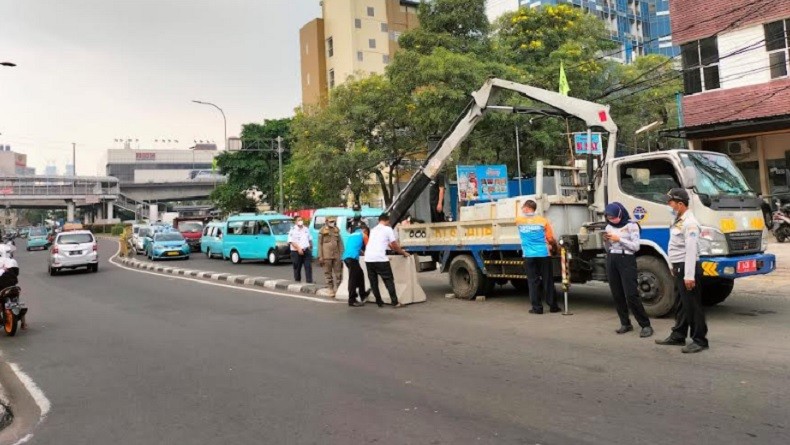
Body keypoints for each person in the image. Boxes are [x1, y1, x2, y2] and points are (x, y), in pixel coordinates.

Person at [655, 188, 709, 353]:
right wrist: (672, 266)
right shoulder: (678, 219)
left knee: (692, 305)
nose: (668, 205)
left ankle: (700, 340)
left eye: (670, 202)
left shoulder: (689, 223)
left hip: (687, 267)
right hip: (679, 266)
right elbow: (675, 247)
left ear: (679, 204)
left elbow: (691, 250)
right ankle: (678, 335)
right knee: (681, 304)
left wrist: (689, 275)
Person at [603, 202, 653, 337]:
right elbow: (608, 247)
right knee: (617, 293)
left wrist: (619, 239)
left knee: (631, 294)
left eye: (614, 217)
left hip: (626, 258)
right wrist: (606, 241)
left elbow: (636, 246)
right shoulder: (608, 226)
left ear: (620, 214)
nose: (612, 220)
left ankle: (645, 324)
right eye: (609, 217)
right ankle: (625, 322)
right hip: (612, 258)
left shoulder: (631, 225)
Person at [515, 200, 560, 314]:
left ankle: (537, 308)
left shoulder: (519, 221)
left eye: (523, 207)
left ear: (527, 208)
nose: (522, 209)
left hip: (528, 255)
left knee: (533, 282)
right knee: (548, 280)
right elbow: (550, 238)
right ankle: (553, 306)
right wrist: (554, 248)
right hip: (543, 254)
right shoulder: (543, 221)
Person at [365, 213, 410, 308]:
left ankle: (379, 302)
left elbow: (383, 242)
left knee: (373, 282)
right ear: (387, 220)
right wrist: (403, 253)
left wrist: (391, 247)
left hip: (368, 258)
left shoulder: (373, 230)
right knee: (388, 280)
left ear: (379, 220)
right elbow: (394, 244)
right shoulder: (388, 229)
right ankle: (395, 302)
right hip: (380, 259)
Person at [342, 225, 368, 307]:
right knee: (353, 279)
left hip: (346, 258)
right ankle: (352, 300)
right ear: (365, 230)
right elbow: (369, 246)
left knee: (360, 274)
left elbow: (354, 246)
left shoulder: (352, 235)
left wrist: (361, 252)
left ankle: (363, 294)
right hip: (353, 258)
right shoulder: (363, 235)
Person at [318, 216, 344, 295]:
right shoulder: (322, 231)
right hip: (326, 255)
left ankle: (339, 288)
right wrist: (320, 256)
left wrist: (342, 254)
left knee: (338, 273)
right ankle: (330, 288)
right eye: (330, 221)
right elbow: (320, 244)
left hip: (336, 255)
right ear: (326, 221)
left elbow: (340, 243)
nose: (332, 223)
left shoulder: (336, 230)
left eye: (333, 221)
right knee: (328, 273)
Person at [287, 216, 313, 283]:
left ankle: (309, 281)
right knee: (297, 268)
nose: (300, 221)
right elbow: (291, 241)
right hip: (296, 252)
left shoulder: (306, 229)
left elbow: (309, 239)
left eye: (301, 219)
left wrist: (310, 246)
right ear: (296, 222)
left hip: (306, 250)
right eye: (299, 220)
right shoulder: (292, 230)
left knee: (308, 267)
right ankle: (297, 281)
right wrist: (298, 248)